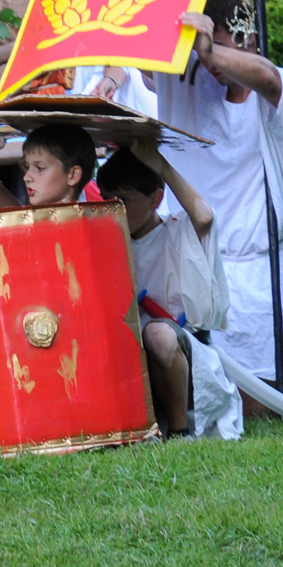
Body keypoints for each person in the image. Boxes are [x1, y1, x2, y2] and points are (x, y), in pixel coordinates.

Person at [145, 0, 283, 412]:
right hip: (195, 263)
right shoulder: (189, 80)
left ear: (251, 40)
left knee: (269, 405)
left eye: (220, 47)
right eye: (204, 49)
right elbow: (143, 59)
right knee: (211, 398)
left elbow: (268, 79)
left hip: (263, 267)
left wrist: (212, 51)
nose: (209, 62)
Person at [96, 136, 228, 438]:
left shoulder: (177, 232)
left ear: (156, 199)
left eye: (124, 200)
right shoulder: (105, 239)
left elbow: (205, 216)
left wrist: (161, 166)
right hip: (133, 362)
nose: (112, 209)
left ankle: (179, 431)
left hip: (182, 359)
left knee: (157, 333)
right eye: (106, 199)